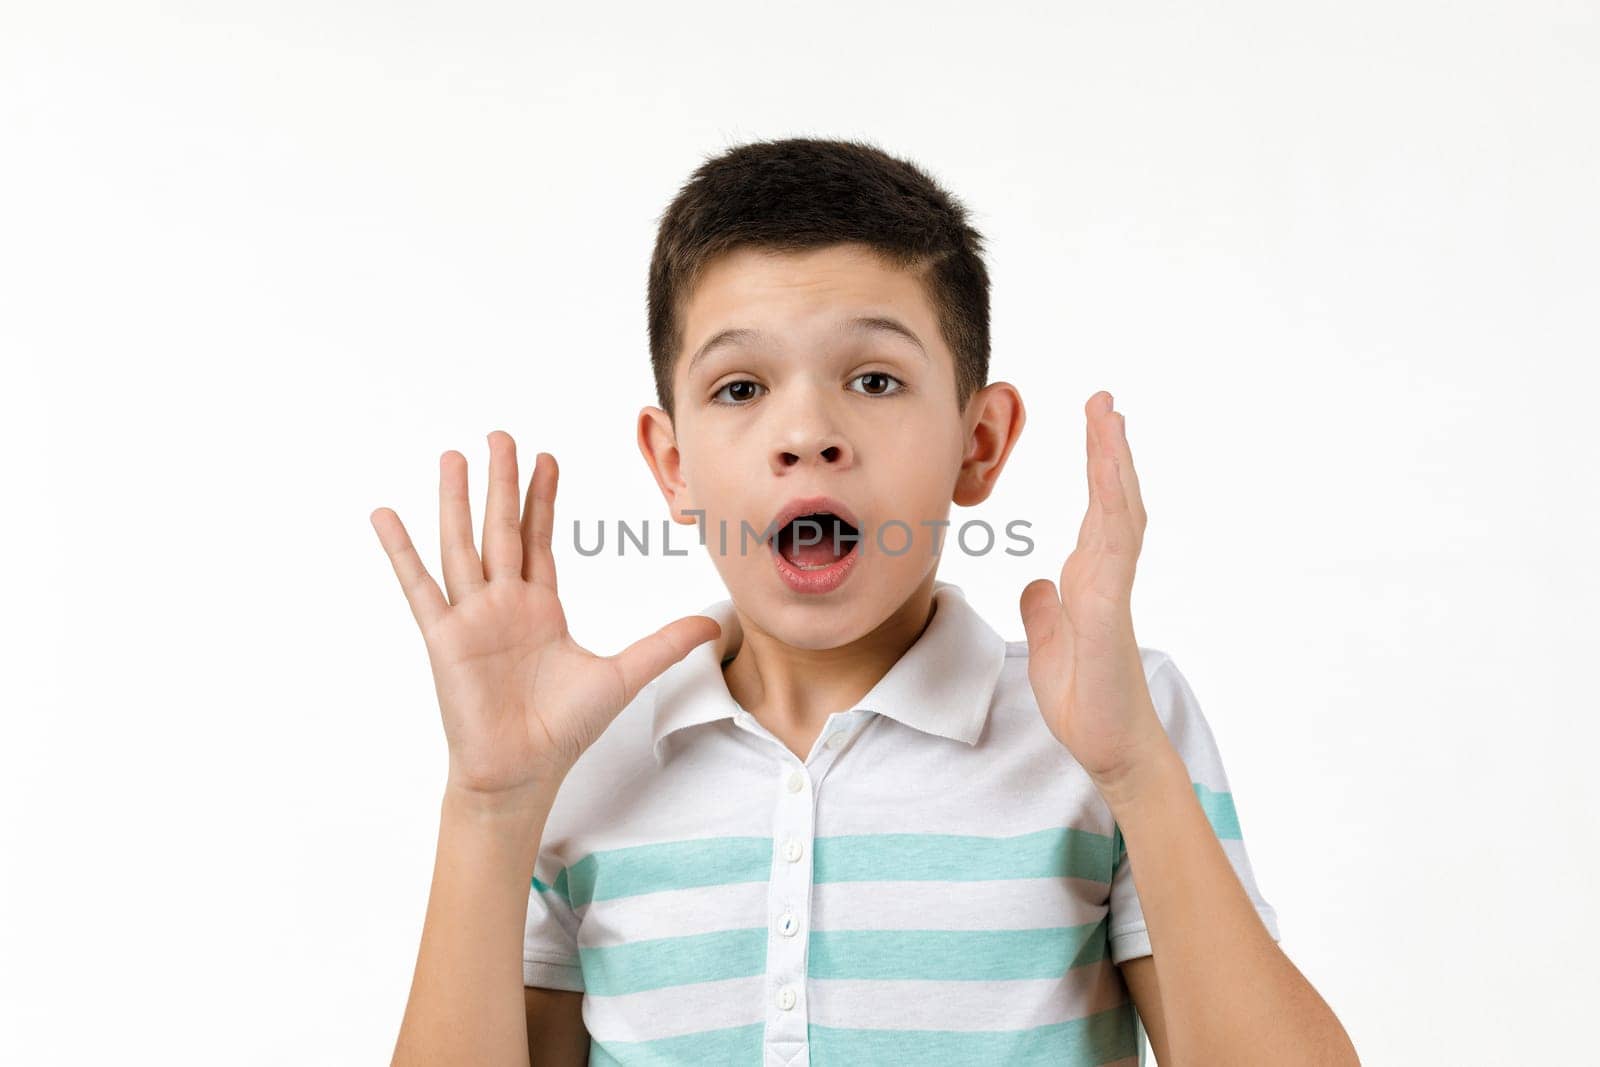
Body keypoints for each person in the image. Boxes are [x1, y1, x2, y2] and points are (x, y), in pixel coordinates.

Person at [373, 137, 1360, 1066]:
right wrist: (490, 808)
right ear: (672, 463)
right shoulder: (582, 760)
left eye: (875, 377)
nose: (806, 430)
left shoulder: (1109, 720)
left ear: (978, 442)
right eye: (740, 386)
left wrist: (1138, 770)